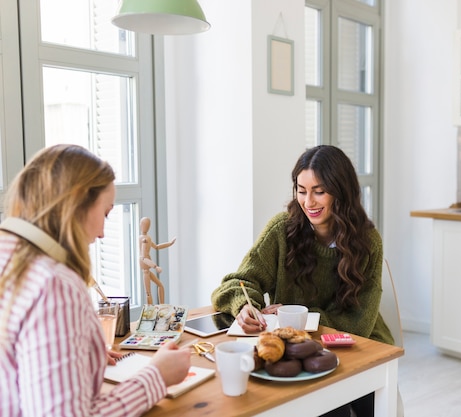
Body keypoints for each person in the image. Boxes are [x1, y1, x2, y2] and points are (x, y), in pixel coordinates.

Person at [0, 144, 191, 417]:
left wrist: (78, 357)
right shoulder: (54, 286)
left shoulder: (10, 258)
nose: (102, 233)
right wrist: (156, 376)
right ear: (77, 203)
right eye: (105, 213)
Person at [211, 145, 393, 417]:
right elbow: (234, 284)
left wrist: (300, 318)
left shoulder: (368, 242)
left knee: (351, 403)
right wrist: (245, 306)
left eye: (319, 191)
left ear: (341, 191)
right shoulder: (281, 230)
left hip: (359, 345)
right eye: (301, 190)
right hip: (297, 349)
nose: (308, 202)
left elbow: (359, 323)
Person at [139, 216, 176, 305]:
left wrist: (170, 243)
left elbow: (157, 247)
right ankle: (150, 312)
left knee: (160, 286)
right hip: (146, 270)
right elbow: (143, 258)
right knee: (148, 293)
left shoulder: (147, 238)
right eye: (145, 225)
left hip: (148, 269)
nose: (147, 227)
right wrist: (155, 267)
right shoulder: (143, 239)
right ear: (141, 226)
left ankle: (162, 307)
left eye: (148, 225)